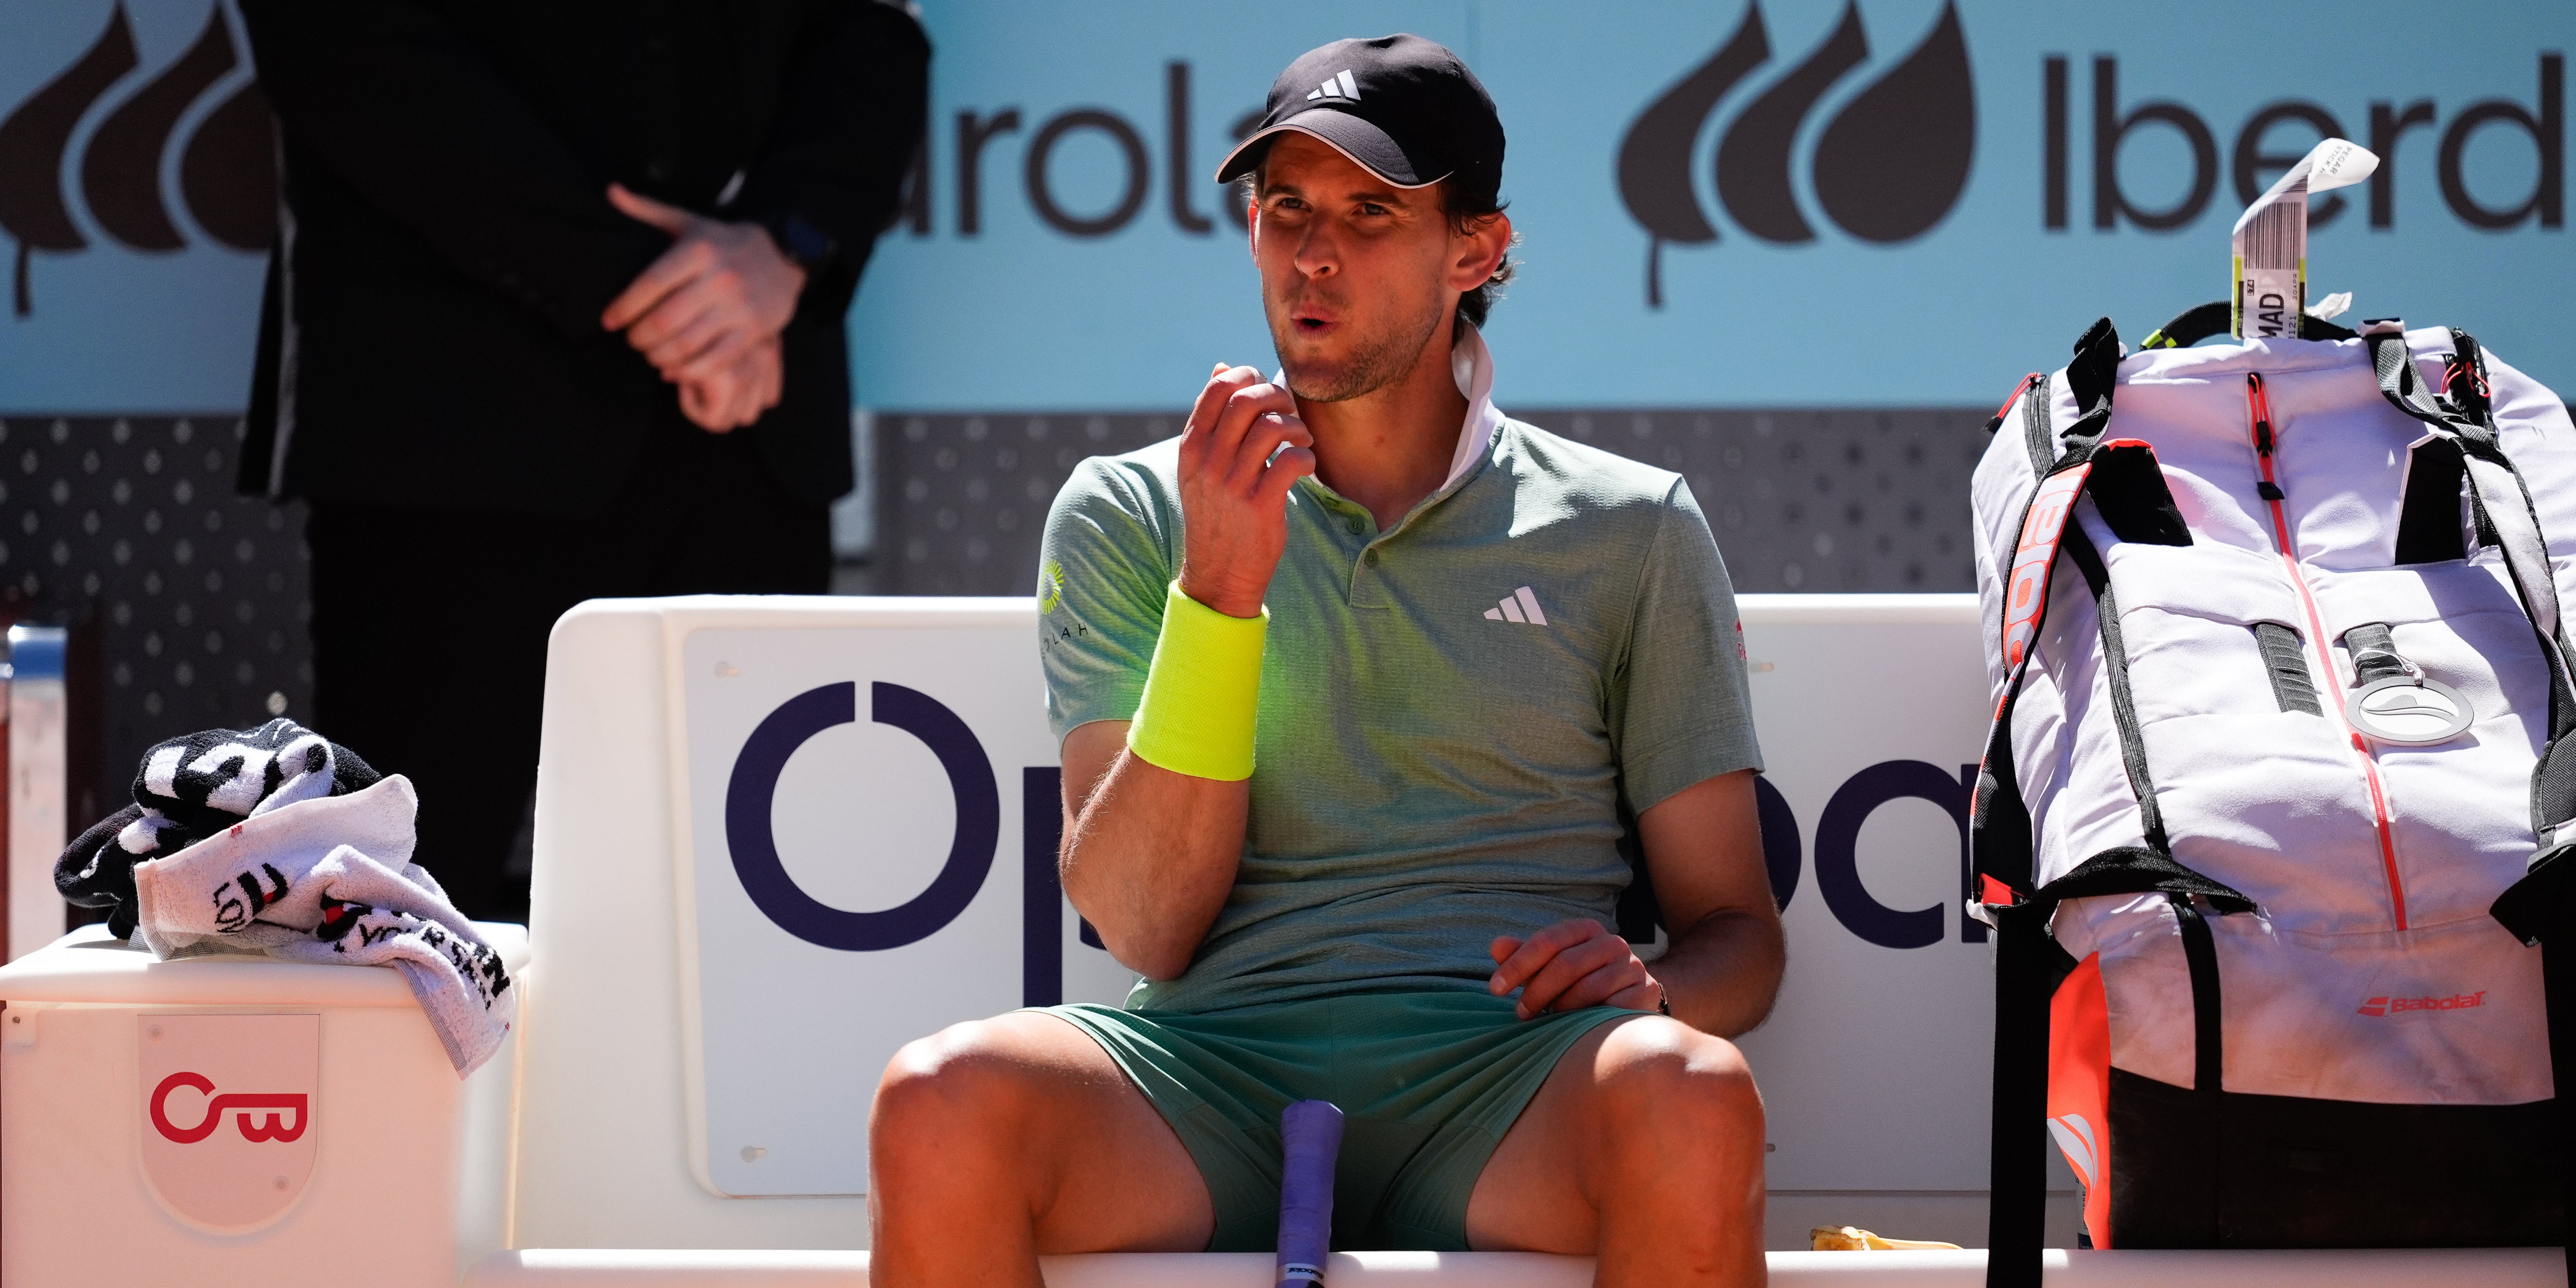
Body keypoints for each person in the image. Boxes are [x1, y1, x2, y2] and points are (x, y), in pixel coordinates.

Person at [870, 34, 1781, 1288]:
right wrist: (1219, 592)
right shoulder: (1133, 509)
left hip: (1514, 1072)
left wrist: (1656, 988)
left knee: (1692, 1088)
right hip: (1205, 1069)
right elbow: (1144, 923)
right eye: (1285, 207)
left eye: (1369, 213)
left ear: (1477, 251)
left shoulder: (1634, 524)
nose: (1312, 253)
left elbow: (1741, 937)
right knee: (938, 1099)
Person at [231, 0, 930, 921]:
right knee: (406, 931)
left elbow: (872, 28)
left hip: (743, 436)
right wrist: (670, 295)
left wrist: (786, 246)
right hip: (447, 428)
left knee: (744, 928)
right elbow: (338, 40)